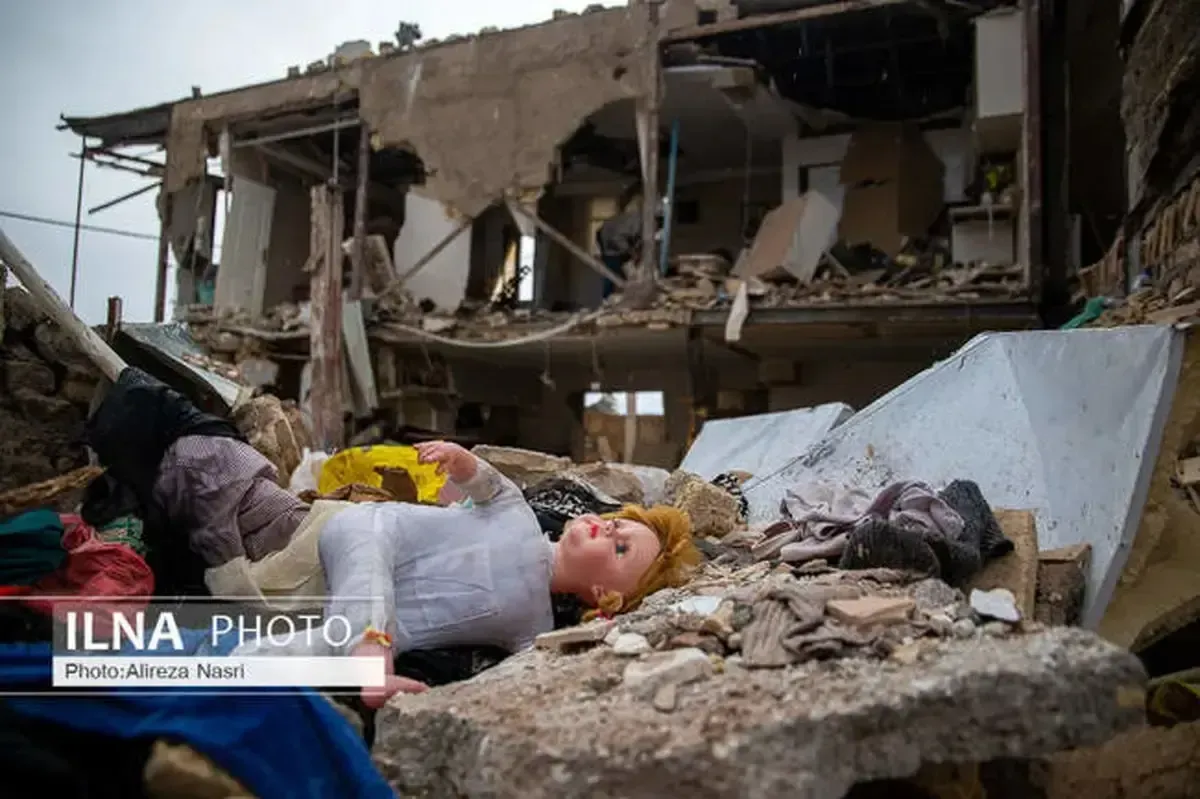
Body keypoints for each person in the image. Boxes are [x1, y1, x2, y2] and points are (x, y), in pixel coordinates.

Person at [319, 440, 699, 707]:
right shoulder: (517, 512)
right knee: (368, 579)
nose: (609, 529)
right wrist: (456, 457)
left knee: (320, 646)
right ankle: (371, 665)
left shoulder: (536, 627)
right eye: (617, 523)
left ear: (604, 594)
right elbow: (484, 480)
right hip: (375, 536)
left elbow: (524, 673)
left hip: (393, 623)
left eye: (621, 548)